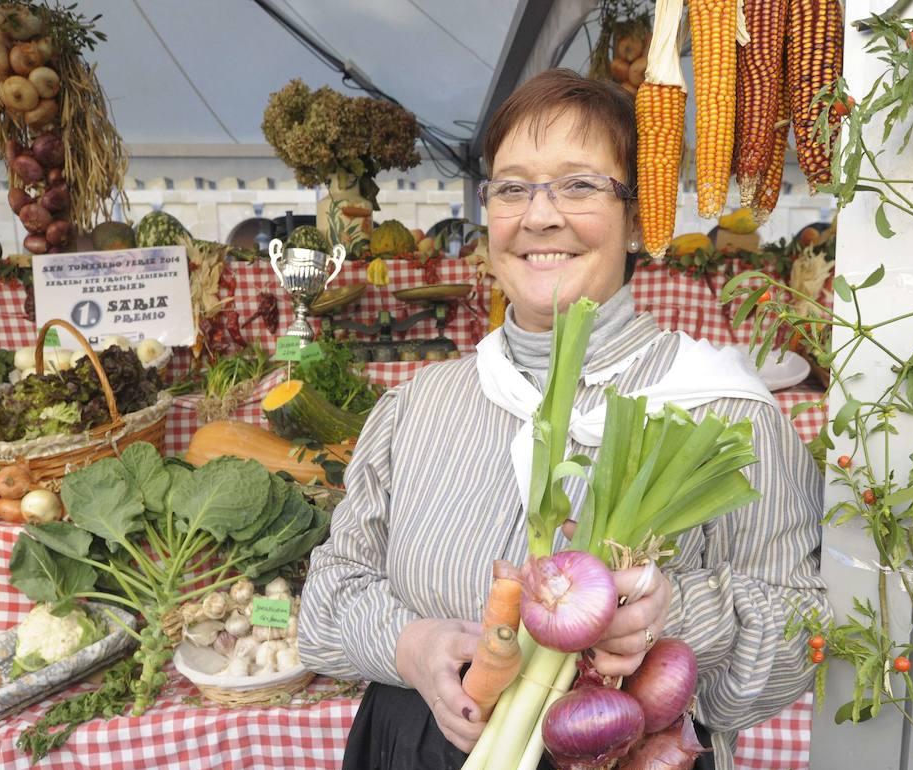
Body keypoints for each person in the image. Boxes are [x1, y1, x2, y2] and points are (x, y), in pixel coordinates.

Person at [298, 69, 828, 770]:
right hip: (415, 746)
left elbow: (800, 637)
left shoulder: (724, 413)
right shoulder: (418, 406)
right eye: (512, 188)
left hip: (620, 750)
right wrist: (411, 647)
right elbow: (329, 596)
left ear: (638, 220)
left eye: (579, 185)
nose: (539, 216)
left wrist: (672, 613)